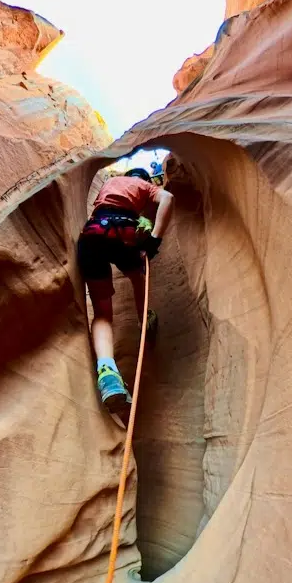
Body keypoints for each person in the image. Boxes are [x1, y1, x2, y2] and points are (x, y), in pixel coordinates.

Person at [77, 166, 174, 426]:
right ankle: (144, 321)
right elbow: (168, 199)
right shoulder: (143, 186)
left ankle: (107, 371)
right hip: (123, 233)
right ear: (142, 179)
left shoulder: (110, 184)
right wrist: (153, 241)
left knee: (102, 313)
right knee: (137, 275)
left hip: (93, 234)